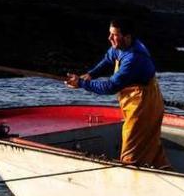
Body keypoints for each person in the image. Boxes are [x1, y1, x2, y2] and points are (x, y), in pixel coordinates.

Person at [66, 18, 170, 168]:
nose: (109, 38)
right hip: (143, 104)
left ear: (127, 37)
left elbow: (110, 86)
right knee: (153, 151)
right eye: (110, 34)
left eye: (114, 35)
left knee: (130, 157)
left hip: (142, 108)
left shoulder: (134, 58)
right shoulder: (120, 47)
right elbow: (108, 59)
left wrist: (82, 83)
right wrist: (90, 75)